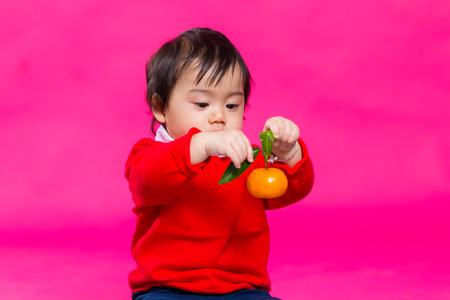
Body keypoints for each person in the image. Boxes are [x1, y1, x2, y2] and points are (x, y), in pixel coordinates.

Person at [125, 27, 314, 300]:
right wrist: (202, 145)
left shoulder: (246, 158)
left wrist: (288, 151)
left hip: (242, 289)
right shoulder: (150, 155)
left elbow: (293, 187)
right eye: (202, 104)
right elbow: (147, 182)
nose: (219, 117)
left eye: (232, 106)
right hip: (168, 287)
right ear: (160, 107)